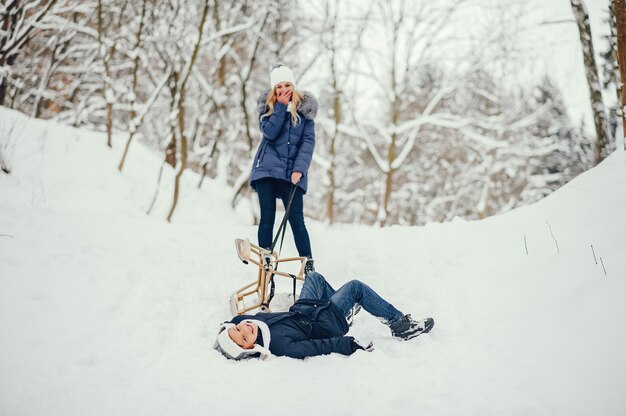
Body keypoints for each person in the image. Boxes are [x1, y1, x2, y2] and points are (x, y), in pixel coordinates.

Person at [214, 272, 435, 360]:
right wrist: (349, 345)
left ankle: (344, 306)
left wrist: (227, 328)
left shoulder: (253, 324)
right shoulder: (282, 346)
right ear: (250, 348)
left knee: (314, 278)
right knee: (355, 287)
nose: (244, 329)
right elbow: (320, 346)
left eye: (238, 329)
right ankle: (400, 326)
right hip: (326, 323)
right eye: (243, 338)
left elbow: (233, 322)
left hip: (304, 309)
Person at [249, 64, 317, 274]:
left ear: (294, 86)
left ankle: (308, 266)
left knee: (296, 219)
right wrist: (279, 106)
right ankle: (266, 259)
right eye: (279, 86)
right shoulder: (267, 109)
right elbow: (270, 132)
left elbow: (307, 143)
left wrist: (299, 169)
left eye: (287, 85)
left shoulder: (305, 112)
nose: (284, 89)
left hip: (291, 174)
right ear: (274, 89)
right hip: (267, 170)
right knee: (267, 216)